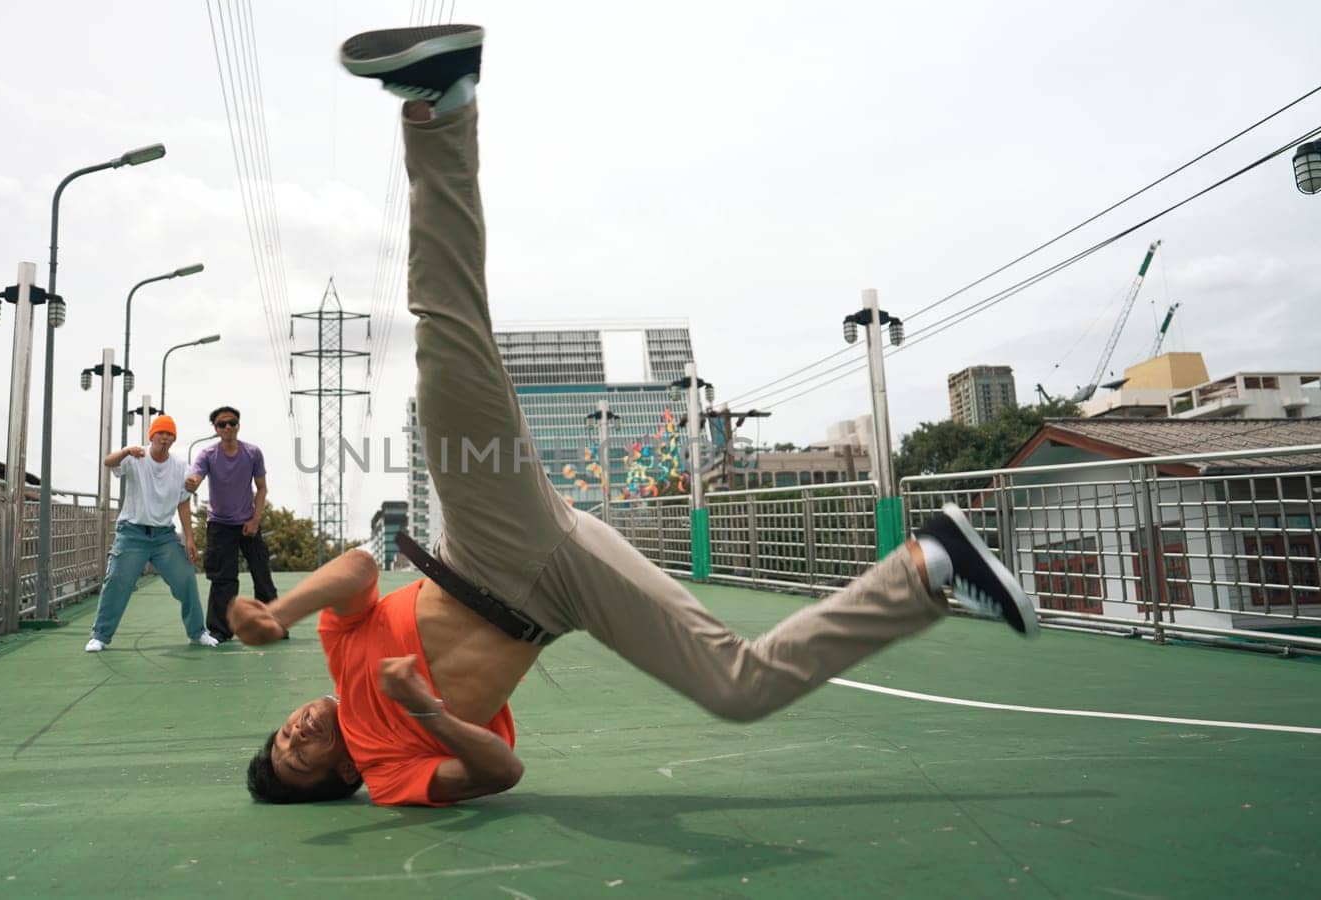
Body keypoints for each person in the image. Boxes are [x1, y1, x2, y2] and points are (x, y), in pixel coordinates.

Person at [229, 24, 1038, 807]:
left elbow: (361, 573)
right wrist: (425, 712)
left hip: (485, 548)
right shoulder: (392, 771)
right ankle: (929, 566)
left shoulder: (341, 652)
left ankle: (444, 106)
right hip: (557, 596)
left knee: (445, 333)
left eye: (281, 734)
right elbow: (499, 772)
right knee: (738, 686)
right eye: (300, 757)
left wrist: (279, 609)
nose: (296, 732)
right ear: (339, 779)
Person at [85, 414, 219, 652]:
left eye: (170, 434)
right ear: (152, 435)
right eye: (161, 433)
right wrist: (127, 450)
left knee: (186, 579)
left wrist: (189, 537)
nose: (165, 438)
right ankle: (101, 636)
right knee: (117, 581)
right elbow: (108, 462)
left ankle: (197, 632)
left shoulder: (180, 466)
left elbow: (183, 502)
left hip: (164, 536)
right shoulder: (137, 456)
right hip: (132, 532)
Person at [185, 405, 279, 642]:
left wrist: (255, 520)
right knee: (223, 579)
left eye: (232, 423)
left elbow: (262, 488)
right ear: (215, 429)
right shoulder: (207, 455)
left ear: (238, 425)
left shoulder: (252, 453)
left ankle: (273, 624)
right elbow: (196, 476)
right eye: (222, 424)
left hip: (248, 523)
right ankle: (219, 630)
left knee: (262, 574)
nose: (228, 427)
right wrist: (192, 482)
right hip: (219, 525)